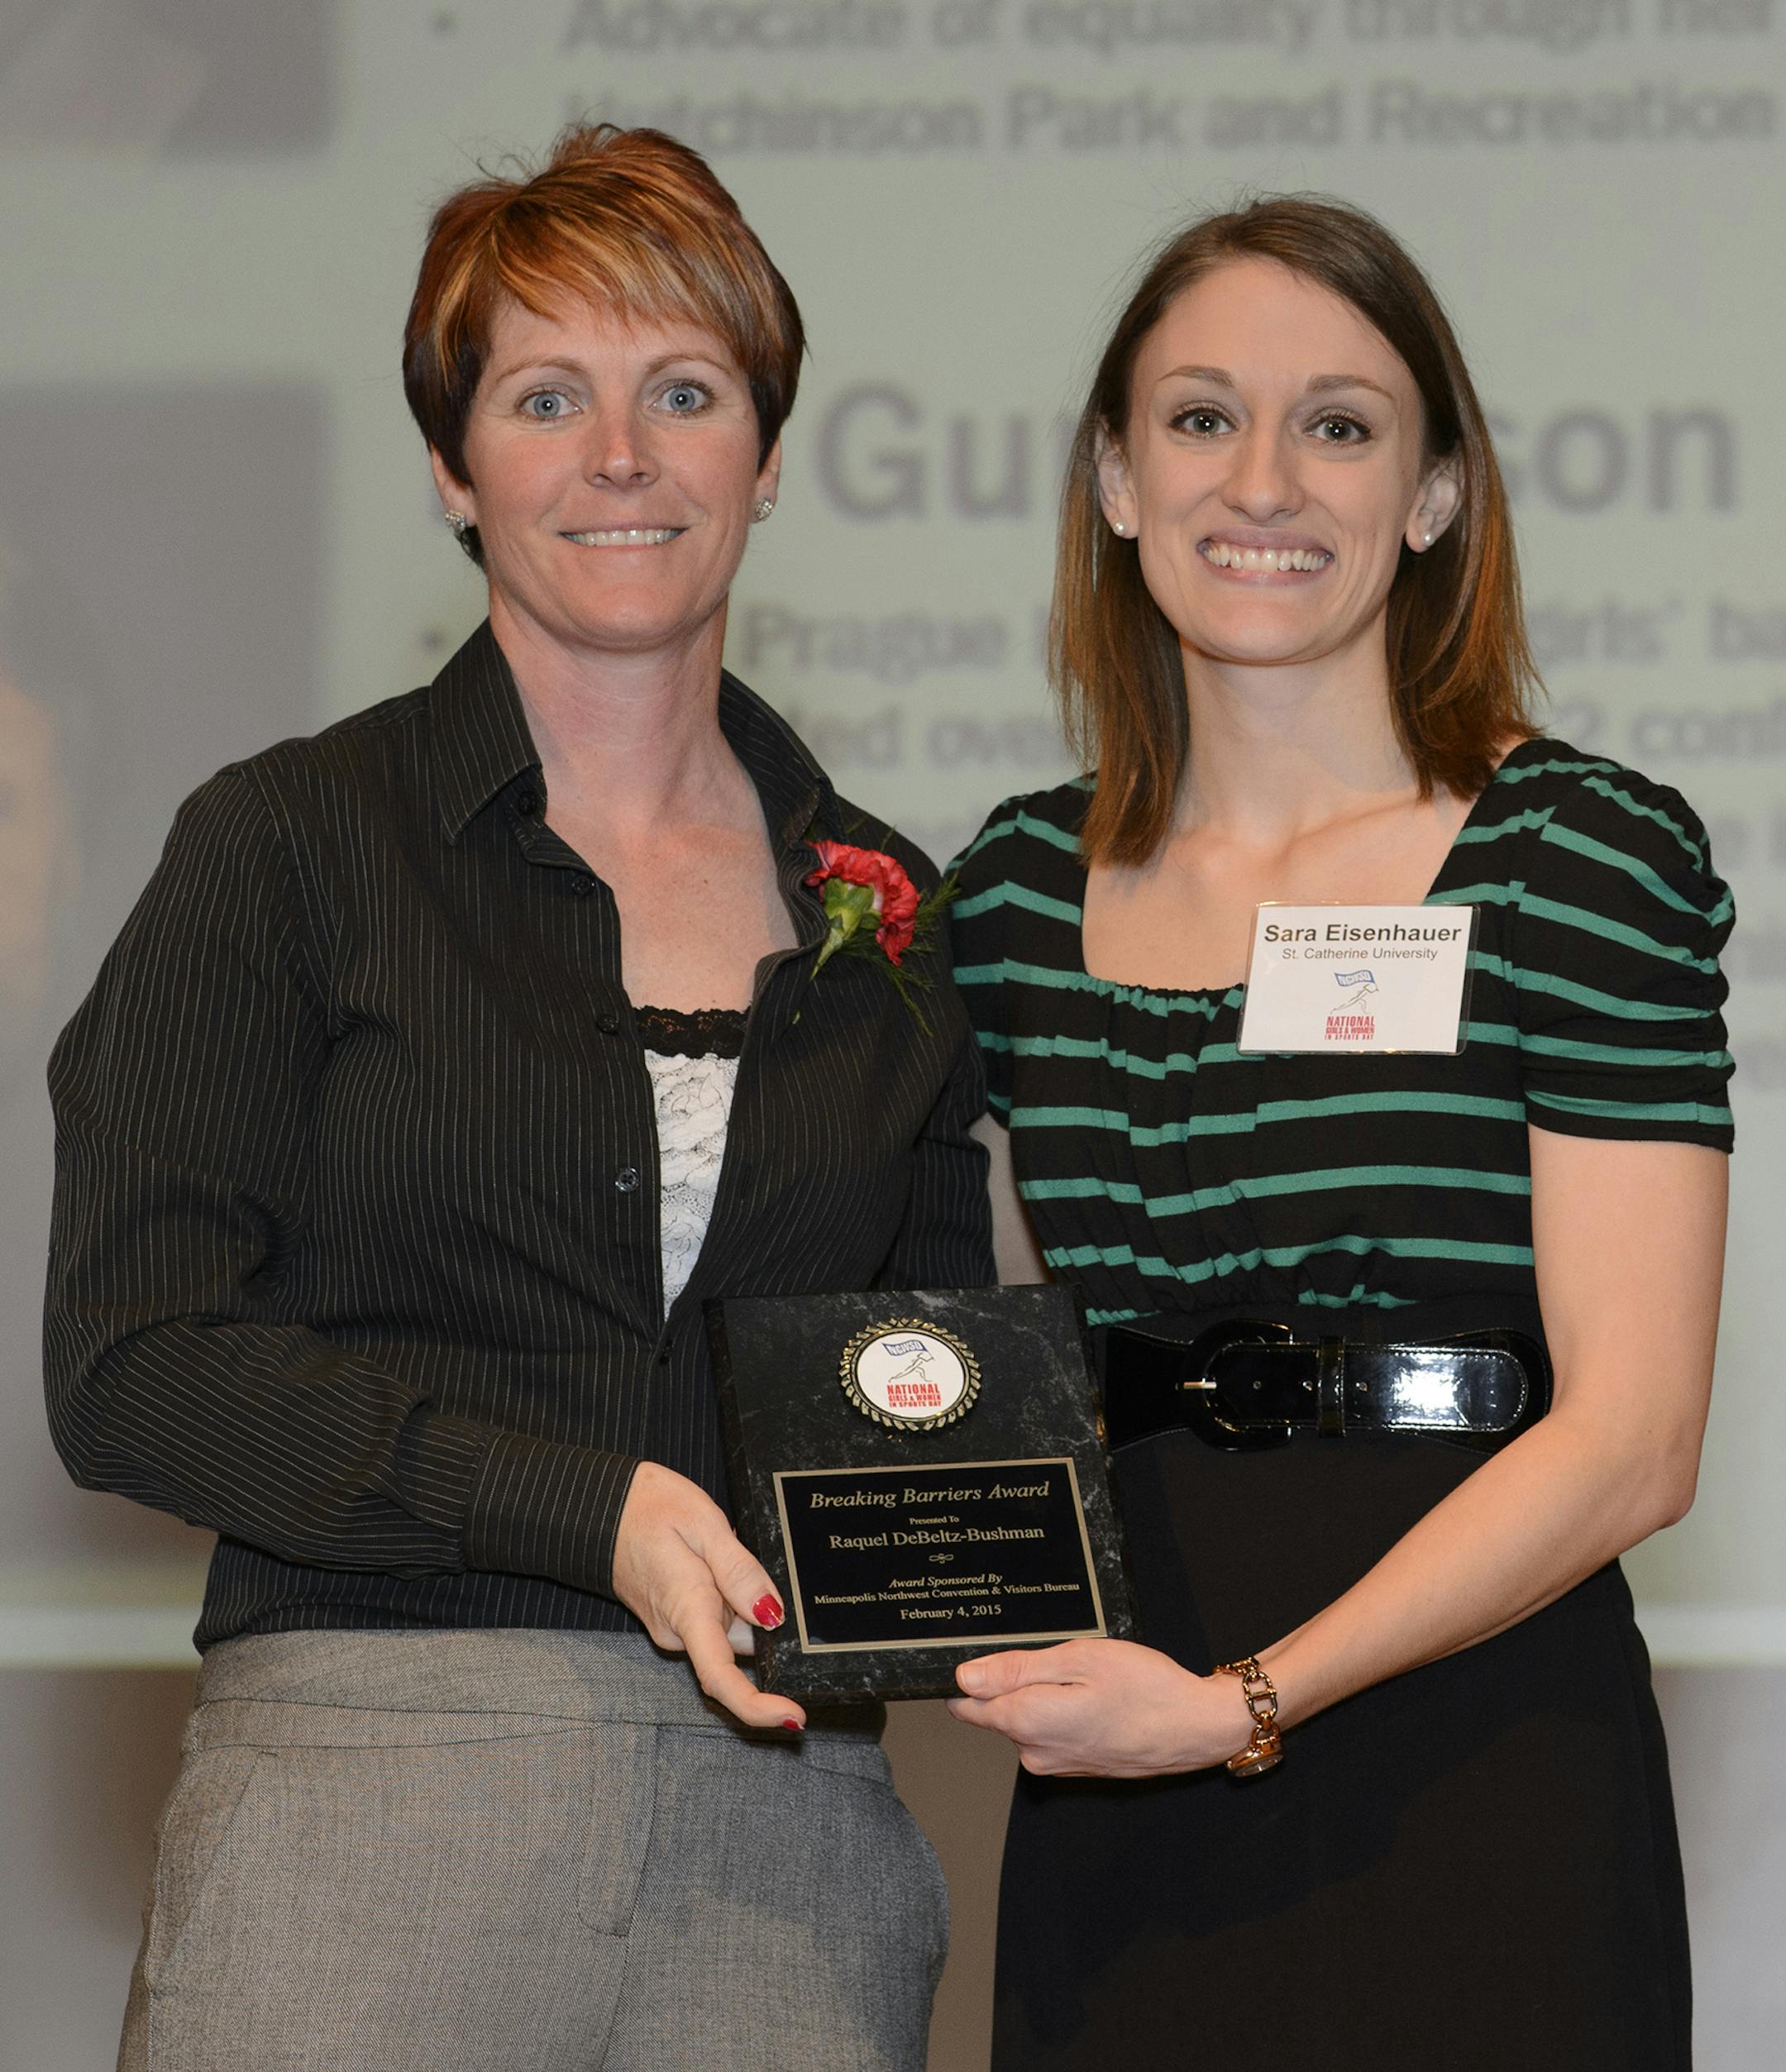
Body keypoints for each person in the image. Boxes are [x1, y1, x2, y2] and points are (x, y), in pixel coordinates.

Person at [44, 124, 988, 2072]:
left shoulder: (888, 905)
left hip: (794, 1844)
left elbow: (924, 1383)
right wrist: (579, 1502)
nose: (621, 455)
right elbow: (128, 1357)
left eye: (686, 392)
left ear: (772, 450)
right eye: (547, 396)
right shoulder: (291, 844)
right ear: (454, 470)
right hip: (373, 1797)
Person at [945, 196, 1731, 2072]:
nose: (1266, 481)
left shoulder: (1580, 856)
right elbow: (932, 1345)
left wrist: (1245, 1702)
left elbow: (1637, 1442)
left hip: (1476, 1759)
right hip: (1119, 1762)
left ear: (1438, 493)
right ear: (1119, 481)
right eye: (1203, 417)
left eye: (1344, 424)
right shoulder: (1005, 894)